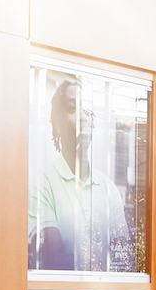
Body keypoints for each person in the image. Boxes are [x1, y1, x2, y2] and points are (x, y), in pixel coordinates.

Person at [29, 73, 124, 271]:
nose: (82, 116)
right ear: (57, 125)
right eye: (72, 108)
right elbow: (53, 260)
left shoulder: (108, 189)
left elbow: (122, 258)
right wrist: (100, 260)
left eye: (86, 109)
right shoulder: (43, 183)